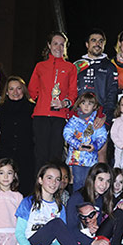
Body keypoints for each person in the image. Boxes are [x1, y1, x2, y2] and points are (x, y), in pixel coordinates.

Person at [28, 32, 77, 170]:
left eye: (62, 45)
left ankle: (55, 189)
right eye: (55, 43)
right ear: (49, 45)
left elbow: (73, 93)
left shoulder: (70, 68)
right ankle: (39, 188)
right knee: (40, 155)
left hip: (59, 117)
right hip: (41, 116)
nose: (58, 47)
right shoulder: (40, 66)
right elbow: (32, 90)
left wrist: (64, 103)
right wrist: (41, 100)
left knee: (56, 155)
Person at [65, 163, 123, 245]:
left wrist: (93, 227)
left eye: (108, 181)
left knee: (121, 213)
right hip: (80, 241)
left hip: (94, 236)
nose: (104, 185)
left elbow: (100, 223)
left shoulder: (101, 198)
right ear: (92, 178)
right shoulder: (77, 197)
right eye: (101, 179)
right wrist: (92, 242)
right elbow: (71, 229)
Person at [0, 78, 35, 197]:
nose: (15, 92)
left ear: (24, 90)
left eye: (19, 88)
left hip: (26, 157)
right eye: (11, 89)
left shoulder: (33, 109)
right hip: (6, 155)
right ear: (7, 92)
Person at [63, 92, 108, 189]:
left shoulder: (97, 121)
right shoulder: (74, 120)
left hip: (91, 159)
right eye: (83, 103)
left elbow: (102, 136)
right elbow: (67, 133)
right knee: (78, 181)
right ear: (79, 104)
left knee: (90, 183)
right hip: (76, 159)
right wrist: (77, 144)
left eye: (90, 103)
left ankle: (88, 202)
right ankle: (77, 202)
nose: (86, 106)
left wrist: (95, 146)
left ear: (95, 106)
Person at [74, 32, 118, 128]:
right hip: (79, 118)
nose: (97, 44)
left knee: (101, 143)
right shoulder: (77, 65)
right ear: (87, 44)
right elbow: (71, 91)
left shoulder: (110, 67)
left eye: (100, 41)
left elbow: (112, 94)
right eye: (93, 40)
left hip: (100, 119)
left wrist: (104, 115)